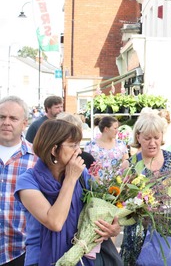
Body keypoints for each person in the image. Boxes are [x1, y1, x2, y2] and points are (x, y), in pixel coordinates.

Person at [15, 119, 120, 266]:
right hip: (42, 260)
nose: (79, 151)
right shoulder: (27, 182)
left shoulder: (81, 174)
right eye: (73, 145)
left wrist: (114, 227)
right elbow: (55, 222)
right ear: (53, 149)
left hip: (81, 257)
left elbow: (103, 207)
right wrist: (70, 179)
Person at [120, 112, 171, 265]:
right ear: (138, 137)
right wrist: (138, 206)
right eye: (147, 138)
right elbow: (120, 204)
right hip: (139, 239)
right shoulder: (129, 165)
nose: (152, 143)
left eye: (156, 137)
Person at [0, 96, 38, 266]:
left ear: (24, 124)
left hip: (20, 252)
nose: (6, 122)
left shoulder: (37, 159)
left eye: (13, 118)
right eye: (2, 117)